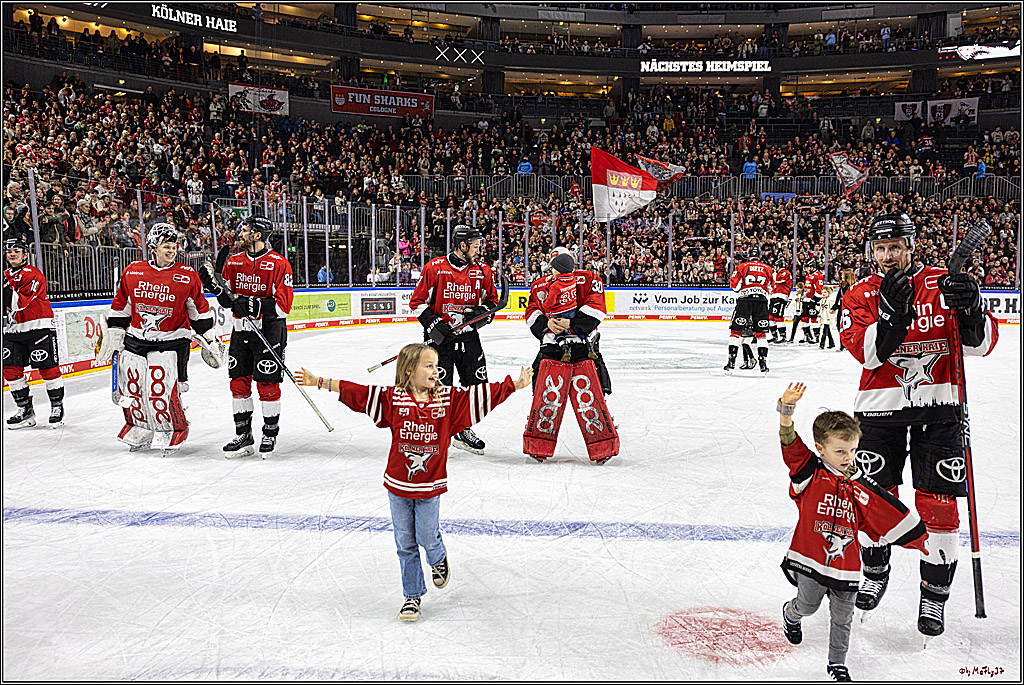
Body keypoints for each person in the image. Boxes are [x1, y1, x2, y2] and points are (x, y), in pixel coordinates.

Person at [838, 212, 999, 637]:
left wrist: (970, 306)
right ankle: (875, 570)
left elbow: (981, 345)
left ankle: (934, 595)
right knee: (872, 499)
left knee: (940, 507)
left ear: (912, 246)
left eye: (896, 247)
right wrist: (890, 316)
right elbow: (867, 355)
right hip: (878, 412)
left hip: (940, 409)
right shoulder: (860, 293)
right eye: (880, 248)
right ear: (871, 251)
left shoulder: (943, 282)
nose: (888, 256)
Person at [295, 343, 532, 621]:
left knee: (427, 536)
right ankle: (412, 596)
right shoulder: (394, 399)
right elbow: (358, 393)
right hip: (397, 486)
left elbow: (481, 395)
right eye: (428, 365)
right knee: (405, 542)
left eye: (436, 365)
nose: (436, 370)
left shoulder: (447, 399)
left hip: (430, 487)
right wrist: (319, 382)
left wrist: (513, 385)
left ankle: (438, 558)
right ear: (410, 370)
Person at [776, 382, 928, 682]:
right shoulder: (809, 470)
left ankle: (837, 664)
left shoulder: (861, 482)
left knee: (842, 618)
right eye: (840, 451)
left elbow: (886, 510)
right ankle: (791, 614)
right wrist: (787, 410)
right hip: (810, 556)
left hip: (846, 563)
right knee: (807, 605)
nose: (848, 457)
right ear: (821, 449)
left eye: (854, 450)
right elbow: (790, 442)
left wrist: (917, 538)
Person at [96, 224, 221, 453]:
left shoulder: (187, 275)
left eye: (174, 247)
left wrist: (209, 338)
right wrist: (115, 331)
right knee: (133, 386)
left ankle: (171, 428)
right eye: (166, 246)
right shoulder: (133, 271)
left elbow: (198, 310)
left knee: (160, 387)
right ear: (153, 248)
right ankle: (140, 425)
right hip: (136, 339)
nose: (171, 251)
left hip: (172, 341)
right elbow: (123, 304)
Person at [200, 216, 294, 458]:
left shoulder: (279, 263)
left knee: (266, 384)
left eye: (245, 230)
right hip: (240, 331)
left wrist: (252, 304)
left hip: (268, 331)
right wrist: (213, 286)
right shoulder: (233, 262)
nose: (240, 233)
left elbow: (283, 306)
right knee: (238, 384)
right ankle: (244, 435)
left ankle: (269, 433)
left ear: (257, 235)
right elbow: (226, 297)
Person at [409, 224, 498, 455]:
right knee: (438, 388)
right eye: (475, 246)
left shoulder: (483, 271)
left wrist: (481, 315)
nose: (478, 250)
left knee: (477, 387)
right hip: (441, 341)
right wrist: (433, 324)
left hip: (468, 338)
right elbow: (417, 302)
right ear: (462, 245)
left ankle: (461, 428)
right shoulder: (435, 268)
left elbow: (492, 303)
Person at [523, 247, 617, 464]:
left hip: (584, 345)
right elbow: (532, 311)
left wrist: (572, 324)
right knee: (545, 392)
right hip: (553, 344)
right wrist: (546, 324)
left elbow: (596, 309)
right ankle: (539, 436)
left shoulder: (589, 279)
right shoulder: (540, 285)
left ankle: (603, 434)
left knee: (592, 393)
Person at [3, 238, 65, 428]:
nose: (12, 254)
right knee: (11, 371)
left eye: (16, 250)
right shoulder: (5, 275)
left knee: (48, 369)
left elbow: (18, 303)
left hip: (39, 327)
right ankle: (25, 411)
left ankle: (56, 406)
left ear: (25, 254)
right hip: (12, 330)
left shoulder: (32, 273)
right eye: (9, 251)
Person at [724, 247, 773, 374]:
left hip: (745, 301)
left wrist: (745, 290)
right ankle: (763, 365)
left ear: (749, 255)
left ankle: (731, 363)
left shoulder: (742, 266)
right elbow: (771, 287)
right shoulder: (768, 268)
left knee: (735, 332)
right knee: (761, 335)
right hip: (761, 301)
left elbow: (734, 286)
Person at [799, 262, 824, 344]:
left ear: (812, 267)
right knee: (804, 318)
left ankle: (816, 336)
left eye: (808, 267)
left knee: (814, 318)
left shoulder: (818, 275)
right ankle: (807, 335)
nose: (806, 269)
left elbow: (819, 289)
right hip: (806, 300)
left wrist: (814, 300)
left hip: (812, 300)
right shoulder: (808, 275)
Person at [769, 257, 793, 344]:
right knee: (770, 317)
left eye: (776, 266)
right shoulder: (777, 274)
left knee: (778, 317)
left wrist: (774, 273)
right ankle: (774, 336)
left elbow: (779, 280)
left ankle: (783, 336)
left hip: (781, 297)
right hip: (774, 297)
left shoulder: (785, 273)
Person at [817, 285, 838, 350]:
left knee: (824, 330)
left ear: (829, 293)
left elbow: (832, 310)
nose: (823, 293)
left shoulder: (830, 300)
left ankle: (822, 344)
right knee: (827, 330)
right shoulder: (822, 300)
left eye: (825, 292)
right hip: (823, 317)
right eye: (823, 292)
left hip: (828, 317)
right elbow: (820, 308)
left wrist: (831, 316)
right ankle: (832, 343)